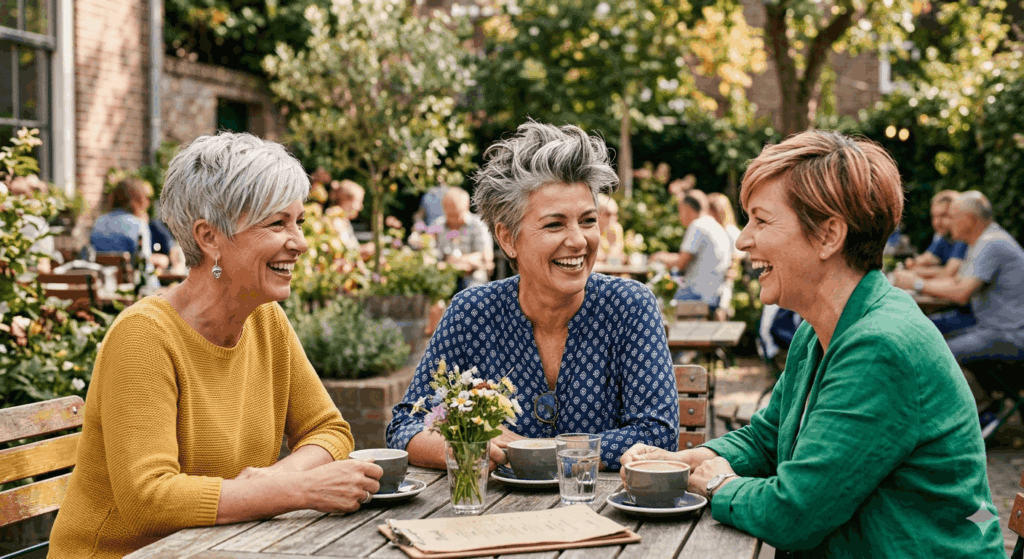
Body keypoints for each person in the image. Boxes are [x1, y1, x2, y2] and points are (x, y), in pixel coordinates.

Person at [620, 131, 1003, 558]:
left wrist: (718, 484)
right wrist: (682, 461)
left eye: (762, 221)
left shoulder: (880, 346)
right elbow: (767, 439)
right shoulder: (821, 328)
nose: (743, 240)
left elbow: (793, 515)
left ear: (828, 236)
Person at [49, 132, 382, 559]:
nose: (299, 242)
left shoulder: (265, 319)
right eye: (277, 223)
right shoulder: (144, 337)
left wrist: (268, 486)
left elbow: (328, 429)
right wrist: (293, 489)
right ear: (209, 238)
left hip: (221, 547)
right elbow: (148, 499)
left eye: (298, 222)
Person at [386, 121, 679, 471]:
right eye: (555, 224)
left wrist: (531, 451)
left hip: (605, 515)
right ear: (508, 238)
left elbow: (657, 435)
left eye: (587, 221)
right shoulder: (471, 311)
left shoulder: (629, 306)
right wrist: (464, 445)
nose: (578, 240)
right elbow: (406, 425)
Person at [893, 191, 1024, 365]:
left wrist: (916, 283)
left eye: (953, 217)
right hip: (990, 327)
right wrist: (915, 282)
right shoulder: (981, 241)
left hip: (1009, 333)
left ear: (969, 219)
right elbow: (957, 281)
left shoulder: (991, 243)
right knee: (924, 334)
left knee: (935, 358)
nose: (949, 224)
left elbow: (961, 293)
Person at [650, 189, 732, 310]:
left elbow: (680, 265)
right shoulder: (714, 226)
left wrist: (660, 258)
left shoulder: (697, 226)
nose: (679, 216)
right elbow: (693, 257)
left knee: (656, 305)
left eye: (680, 210)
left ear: (687, 208)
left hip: (697, 295)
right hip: (714, 294)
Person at [433, 186, 494, 290]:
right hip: (444, 274)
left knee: (474, 290)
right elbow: (431, 253)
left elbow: (486, 255)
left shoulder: (478, 224)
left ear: (467, 207)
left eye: (456, 214)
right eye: (449, 214)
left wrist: (458, 261)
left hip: (473, 274)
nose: (453, 219)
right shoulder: (438, 224)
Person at [903, 190, 967, 278]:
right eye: (934, 216)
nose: (937, 222)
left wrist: (915, 272)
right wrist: (913, 264)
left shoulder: (964, 238)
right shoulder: (943, 237)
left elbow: (949, 273)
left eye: (944, 215)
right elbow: (925, 260)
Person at [707, 192, 746, 320]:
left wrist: (724, 304)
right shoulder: (713, 231)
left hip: (724, 285)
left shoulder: (730, 231)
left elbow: (737, 260)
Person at [327, 179, 374, 260]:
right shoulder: (336, 222)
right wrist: (365, 249)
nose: (361, 207)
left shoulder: (344, 221)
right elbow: (342, 252)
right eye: (359, 202)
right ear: (347, 201)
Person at [596, 193, 626, 265]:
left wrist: (613, 244)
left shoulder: (616, 229)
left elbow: (616, 256)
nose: (614, 218)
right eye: (608, 214)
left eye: (615, 214)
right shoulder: (586, 229)